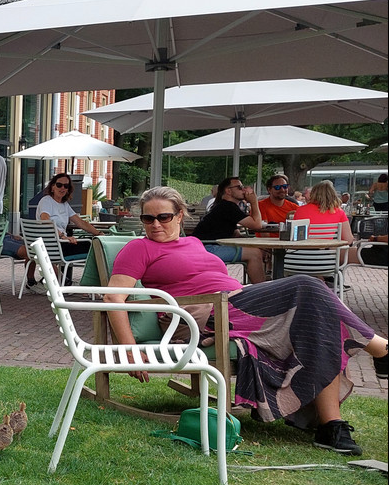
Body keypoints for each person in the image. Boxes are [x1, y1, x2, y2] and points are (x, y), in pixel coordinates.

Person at [104, 186, 389, 454]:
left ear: (179, 215)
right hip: (203, 316)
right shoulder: (139, 248)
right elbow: (113, 298)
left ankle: (332, 427)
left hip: (235, 303)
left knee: (319, 323)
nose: (155, 224)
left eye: (163, 216)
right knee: (308, 285)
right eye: (148, 218)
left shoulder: (192, 242)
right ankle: (380, 349)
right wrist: (129, 348)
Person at [191, 176, 267, 283]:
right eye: (240, 187)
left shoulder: (224, 206)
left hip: (204, 246)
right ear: (228, 191)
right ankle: (261, 290)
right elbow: (257, 225)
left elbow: (236, 234)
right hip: (207, 249)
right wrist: (254, 202)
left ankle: (258, 284)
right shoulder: (228, 207)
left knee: (257, 251)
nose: (244, 190)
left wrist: (253, 243)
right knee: (255, 254)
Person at [295, 180, 365, 266]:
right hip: (327, 260)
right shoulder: (338, 212)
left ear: (313, 194)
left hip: (300, 258)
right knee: (353, 251)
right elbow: (348, 239)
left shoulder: (300, 210)